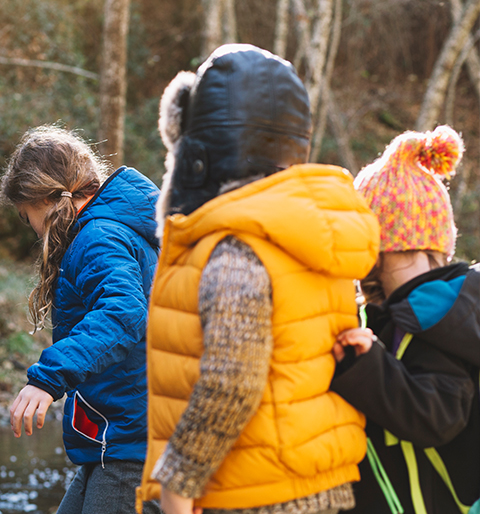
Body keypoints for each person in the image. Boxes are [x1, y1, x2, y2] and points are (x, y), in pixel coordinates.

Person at [135, 44, 380, 514]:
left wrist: (178, 487)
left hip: (249, 495)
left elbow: (231, 380)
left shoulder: (234, 247)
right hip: (321, 485)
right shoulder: (310, 232)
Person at [0, 125, 162, 514]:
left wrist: (49, 378)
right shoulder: (113, 228)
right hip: (120, 437)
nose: (33, 230)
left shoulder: (98, 236)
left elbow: (123, 313)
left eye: (27, 218)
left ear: (47, 200)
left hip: (132, 442)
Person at [330, 125, 480, 514]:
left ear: (384, 244)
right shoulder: (417, 309)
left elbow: (437, 415)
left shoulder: (433, 317)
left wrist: (368, 365)